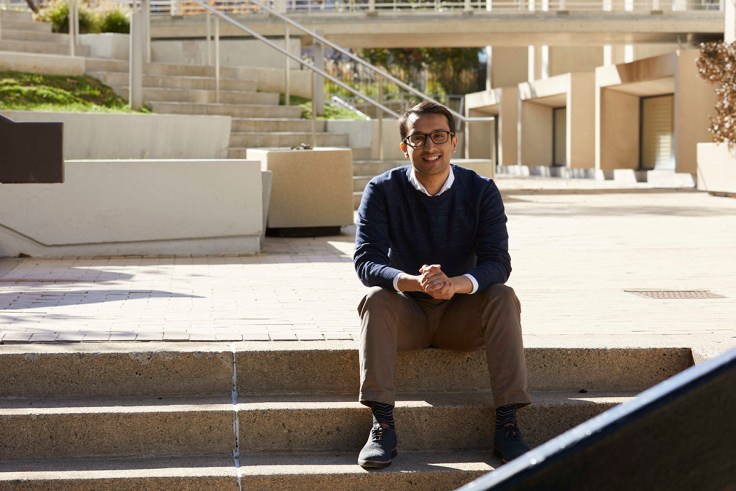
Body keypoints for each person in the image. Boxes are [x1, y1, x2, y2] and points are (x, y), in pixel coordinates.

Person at [353, 100, 532, 469]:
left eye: (438, 136)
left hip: (461, 317)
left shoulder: (480, 189)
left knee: (503, 297)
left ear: (454, 142)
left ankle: (507, 423)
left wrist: (455, 284)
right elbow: (366, 261)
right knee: (376, 298)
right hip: (408, 315)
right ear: (405, 147)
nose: (429, 146)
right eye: (418, 138)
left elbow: (498, 262)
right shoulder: (381, 190)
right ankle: (382, 424)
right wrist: (415, 282)